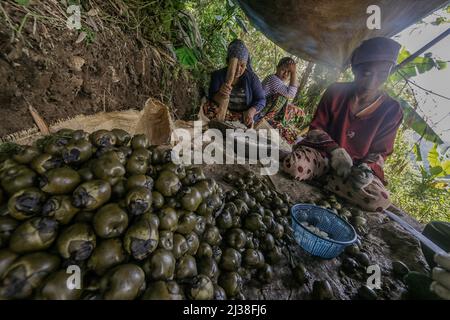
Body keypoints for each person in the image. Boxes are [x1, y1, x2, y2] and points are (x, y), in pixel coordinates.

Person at [281, 37, 403, 212]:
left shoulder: (392, 110)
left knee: (379, 200)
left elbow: (380, 152)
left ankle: (326, 179)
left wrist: (366, 170)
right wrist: (335, 151)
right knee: (293, 165)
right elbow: (315, 130)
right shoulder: (336, 91)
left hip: (353, 171)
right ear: (355, 68)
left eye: (382, 74)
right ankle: (327, 177)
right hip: (322, 155)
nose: (372, 81)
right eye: (366, 73)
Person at [203, 39, 265, 127]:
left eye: (242, 65)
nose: (238, 69)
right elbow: (212, 97)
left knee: (253, 121)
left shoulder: (252, 78)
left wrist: (251, 111)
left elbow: (261, 99)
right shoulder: (217, 75)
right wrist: (220, 94)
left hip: (243, 115)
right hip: (225, 112)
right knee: (208, 107)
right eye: (235, 65)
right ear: (228, 62)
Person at [256, 57, 304, 143]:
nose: (285, 74)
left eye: (288, 72)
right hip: (258, 112)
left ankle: (272, 122)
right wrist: (293, 72)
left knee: (290, 109)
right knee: (282, 98)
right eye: (283, 70)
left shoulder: (278, 82)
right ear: (277, 67)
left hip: (263, 111)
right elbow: (291, 94)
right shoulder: (273, 79)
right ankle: (265, 120)